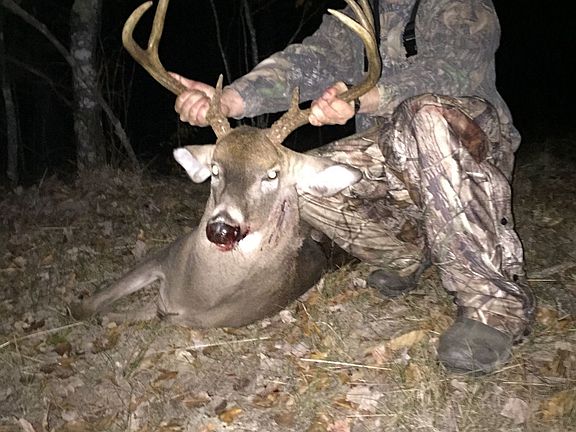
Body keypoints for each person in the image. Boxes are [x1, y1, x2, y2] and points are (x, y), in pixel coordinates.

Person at [170, 0, 535, 373]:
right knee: (293, 179)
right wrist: (230, 99)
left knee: (426, 117)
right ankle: (405, 254)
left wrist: (363, 99)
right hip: (388, 146)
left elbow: (454, 69)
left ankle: (493, 307)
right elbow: (308, 61)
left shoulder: (458, 4)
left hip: (465, 139)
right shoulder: (362, 12)